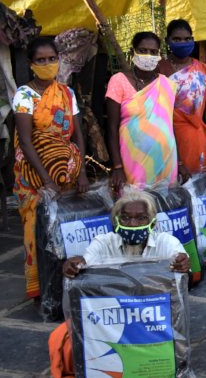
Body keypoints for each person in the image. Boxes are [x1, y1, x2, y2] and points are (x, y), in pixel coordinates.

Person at [12, 37, 88, 300]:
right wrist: (46, 180)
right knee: (37, 231)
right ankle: (41, 292)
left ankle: (66, 286)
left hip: (66, 174)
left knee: (64, 231)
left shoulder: (67, 93)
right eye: (41, 60)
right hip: (34, 178)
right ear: (31, 64)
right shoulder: (25, 95)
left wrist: (82, 173)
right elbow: (25, 140)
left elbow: (78, 135)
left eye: (51, 58)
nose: (47, 64)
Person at [106, 31, 178, 189]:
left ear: (159, 55)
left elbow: (171, 125)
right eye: (143, 50)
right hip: (132, 161)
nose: (148, 55)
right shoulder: (119, 81)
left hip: (165, 160)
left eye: (153, 52)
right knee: (136, 207)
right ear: (132, 52)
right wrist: (117, 167)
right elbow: (111, 128)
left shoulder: (167, 84)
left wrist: (180, 162)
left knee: (165, 208)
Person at [61, 190, 190, 276]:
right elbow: (86, 261)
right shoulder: (103, 243)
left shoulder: (167, 242)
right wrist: (75, 264)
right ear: (116, 221)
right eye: (126, 218)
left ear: (153, 223)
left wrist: (183, 266)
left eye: (141, 218)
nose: (133, 224)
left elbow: (185, 280)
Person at [159, 19, 206, 176]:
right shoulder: (159, 69)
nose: (182, 43)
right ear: (167, 41)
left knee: (197, 187)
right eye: (176, 39)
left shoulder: (202, 69)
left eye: (187, 39)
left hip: (197, 138)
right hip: (168, 138)